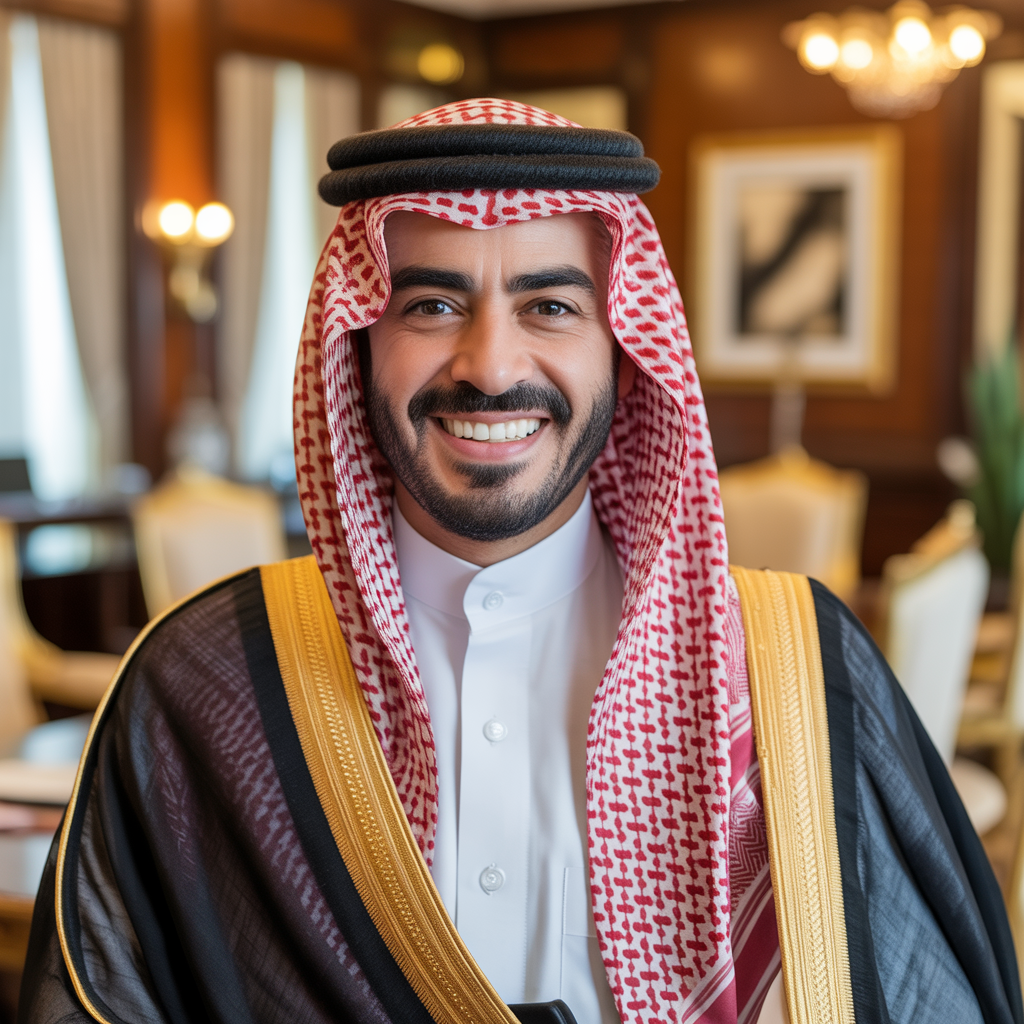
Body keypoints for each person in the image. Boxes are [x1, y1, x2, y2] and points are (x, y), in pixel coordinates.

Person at [19, 99, 1022, 1024]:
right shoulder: (206, 683)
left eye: (550, 307)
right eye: (430, 306)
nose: (491, 367)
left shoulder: (797, 672)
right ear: (357, 345)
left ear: (624, 351)